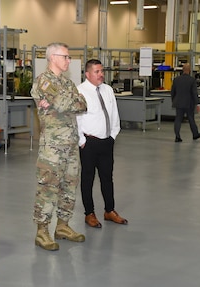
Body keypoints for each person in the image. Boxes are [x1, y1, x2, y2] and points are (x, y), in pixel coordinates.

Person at [31, 42, 87, 251]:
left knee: (69, 187)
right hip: (52, 147)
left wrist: (67, 101)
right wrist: (68, 101)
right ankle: (42, 230)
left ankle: (62, 226)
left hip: (71, 144)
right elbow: (67, 104)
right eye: (65, 56)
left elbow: (83, 104)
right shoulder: (44, 82)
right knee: (48, 188)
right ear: (53, 57)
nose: (68, 60)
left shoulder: (67, 83)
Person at [76, 59, 127, 228]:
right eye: (97, 72)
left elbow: (113, 114)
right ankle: (89, 213)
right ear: (87, 74)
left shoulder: (108, 90)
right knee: (87, 179)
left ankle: (109, 210)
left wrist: (113, 134)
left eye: (102, 71)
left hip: (107, 142)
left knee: (107, 178)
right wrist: (82, 141)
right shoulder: (79, 91)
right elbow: (75, 119)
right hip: (89, 143)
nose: (101, 75)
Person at [170, 63, 200, 142]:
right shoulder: (192, 80)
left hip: (178, 102)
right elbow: (194, 93)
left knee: (178, 119)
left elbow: (172, 92)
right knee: (191, 119)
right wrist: (197, 103)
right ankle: (195, 134)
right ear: (189, 70)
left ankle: (177, 136)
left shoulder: (176, 79)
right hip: (189, 103)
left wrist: (174, 100)